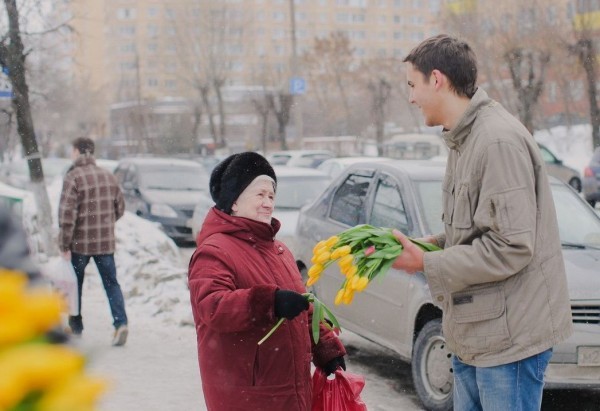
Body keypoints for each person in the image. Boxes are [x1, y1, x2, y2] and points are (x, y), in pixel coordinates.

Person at [391, 34, 573, 411]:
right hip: (476, 335)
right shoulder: (465, 139)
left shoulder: (495, 142)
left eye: (413, 85)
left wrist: (426, 264)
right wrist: (429, 245)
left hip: (508, 342)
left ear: (436, 79)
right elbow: (476, 231)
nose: (411, 98)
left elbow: (511, 246)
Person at [188, 152, 346, 410]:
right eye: (259, 195)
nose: (267, 203)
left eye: (271, 196)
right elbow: (212, 306)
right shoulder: (214, 250)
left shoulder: (279, 250)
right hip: (248, 394)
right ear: (234, 202)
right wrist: (267, 302)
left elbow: (302, 308)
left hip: (290, 390)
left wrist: (326, 349)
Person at [58, 137, 128, 346]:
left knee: (75, 284)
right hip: (105, 244)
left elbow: (66, 215)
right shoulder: (108, 176)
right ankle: (120, 323)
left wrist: (64, 244)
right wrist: (104, 224)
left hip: (80, 244)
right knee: (111, 284)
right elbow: (120, 208)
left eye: (72, 150)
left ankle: (75, 324)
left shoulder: (73, 177)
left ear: (78, 151)